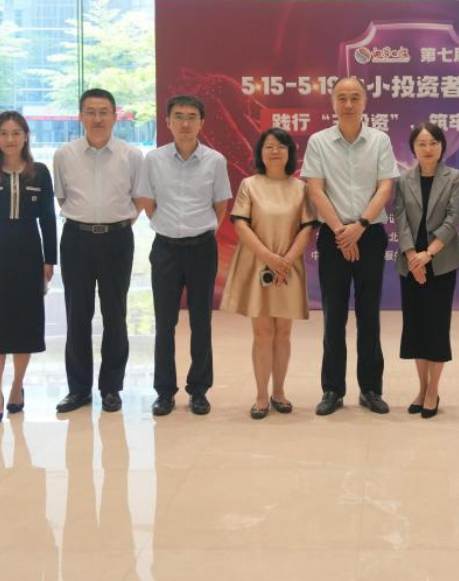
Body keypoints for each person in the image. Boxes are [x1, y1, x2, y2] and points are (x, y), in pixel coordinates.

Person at [301, 76, 399, 416]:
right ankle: (332, 389)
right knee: (334, 316)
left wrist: (359, 227)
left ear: (365, 102)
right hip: (333, 235)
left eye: (354, 97)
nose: (348, 104)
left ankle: (371, 389)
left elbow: (385, 187)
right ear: (332, 102)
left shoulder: (380, 140)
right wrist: (341, 231)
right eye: (341, 97)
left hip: (369, 234)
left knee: (369, 315)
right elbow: (315, 190)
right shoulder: (318, 142)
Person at [136, 95, 232, 417]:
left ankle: (199, 390)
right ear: (168, 122)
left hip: (202, 248)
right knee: (165, 322)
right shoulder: (154, 159)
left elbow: (221, 205)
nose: (185, 123)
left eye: (192, 116)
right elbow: (148, 202)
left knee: (201, 321)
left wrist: (200, 230)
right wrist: (168, 226)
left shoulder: (215, 161)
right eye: (178, 116)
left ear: (202, 122)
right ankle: (164, 392)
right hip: (165, 249)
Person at [52, 89, 144, 415]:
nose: (97, 118)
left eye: (104, 112)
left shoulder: (132, 155)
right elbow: (62, 198)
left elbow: (139, 199)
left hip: (117, 239)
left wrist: (114, 222)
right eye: (90, 112)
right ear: (80, 117)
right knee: (77, 314)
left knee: (115, 315)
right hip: (76, 239)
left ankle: (111, 388)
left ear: (115, 116)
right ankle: (78, 389)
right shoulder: (64, 155)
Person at [220, 127, 318, 419]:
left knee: (283, 332)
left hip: (289, 266)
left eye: (281, 147)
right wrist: (269, 257)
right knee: (262, 332)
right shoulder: (250, 184)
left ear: (290, 153)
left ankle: (279, 392)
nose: (275, 151)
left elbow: (307, 228)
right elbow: (241, 225)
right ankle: (261, 395)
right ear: (260, 153)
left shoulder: (300, 188)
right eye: (269, 146)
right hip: (258, 264)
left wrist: (285, 260)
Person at [0, 111, 57, 424]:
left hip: (28, 253)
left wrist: (49, 261)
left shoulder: (39, 173)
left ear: (26, 136)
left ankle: (17, 385)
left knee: (24, 323)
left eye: (16, 133)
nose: (10, 139)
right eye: (3, 133)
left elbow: (48, 219)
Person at [393, 122, 459, 419]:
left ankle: (433, 390)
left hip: (441, 261)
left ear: (442, 146)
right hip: (411, 262)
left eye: (433, 143)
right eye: (422, 143)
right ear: (413, 148)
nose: (428, 148)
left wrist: (428, 254)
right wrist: (413, 256)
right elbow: (400, 219)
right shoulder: (403, 180)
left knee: (436, 327)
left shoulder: (454, 177)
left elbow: (454, 218)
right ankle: (421, 388)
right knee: (416, 328)